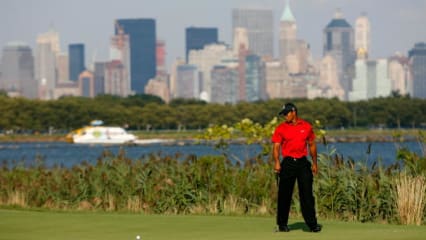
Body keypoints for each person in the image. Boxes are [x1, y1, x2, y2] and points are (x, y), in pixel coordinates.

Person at [271, 102, 322, 233]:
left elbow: (312, 145)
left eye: (286, 114)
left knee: (307, 194)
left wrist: (315, 163)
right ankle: (282, 224)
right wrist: (277, 162)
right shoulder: (281, 128)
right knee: (284, 194)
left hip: (303, 163)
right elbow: (276, 147)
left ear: (293, 112)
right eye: (283, 114)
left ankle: (312, 224)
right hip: (288, 163)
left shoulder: (306, 126)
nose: (284, 117)